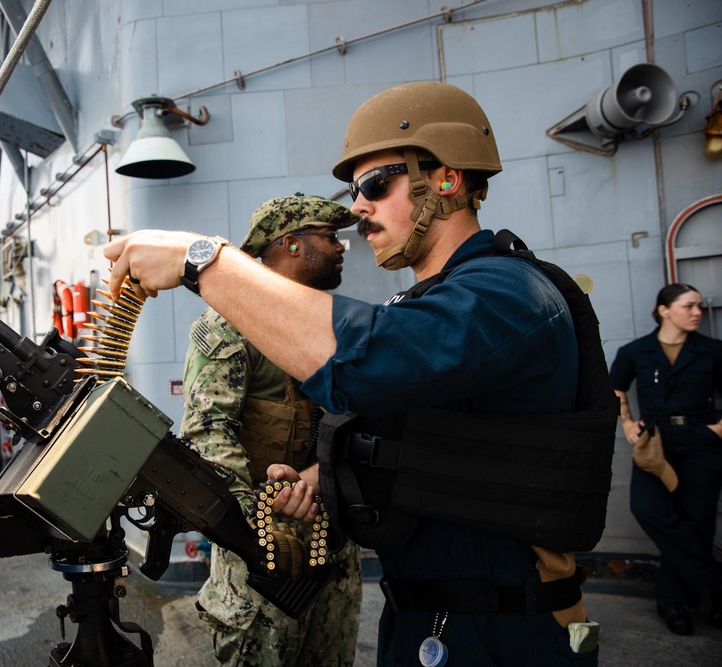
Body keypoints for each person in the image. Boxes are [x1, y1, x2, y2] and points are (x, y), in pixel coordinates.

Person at [104, 81, 614, 665]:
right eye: (355, 190)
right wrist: (324, 475)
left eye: (376, 185)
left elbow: (363, 363)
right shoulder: (439, 301)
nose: (356, 208)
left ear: (446, 179)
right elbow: (423, 432)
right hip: (434, 616)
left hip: (501, 632)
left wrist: (204, 262)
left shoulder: (508, 295)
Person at [180, 194, 363, 666]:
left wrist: (322, 479)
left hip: (332, 545)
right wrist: (256, 527)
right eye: (329, 237)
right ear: (292, 244)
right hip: (262, 557)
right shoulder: (228, 325)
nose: (342, 247)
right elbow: (207, 433)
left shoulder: (336, 323)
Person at [609, 283, 722, 635]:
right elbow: (615, 388)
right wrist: (626, 422)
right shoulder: (636, 351)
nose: (697, 312)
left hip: (701, 442)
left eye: (699, 306)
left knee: (697, 521)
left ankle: (673, 601)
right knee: (649, 509)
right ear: (664, 310)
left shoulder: (712, 351)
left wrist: (718, 428)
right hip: (655, 444)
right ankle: (716, 586)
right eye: (688, 306)